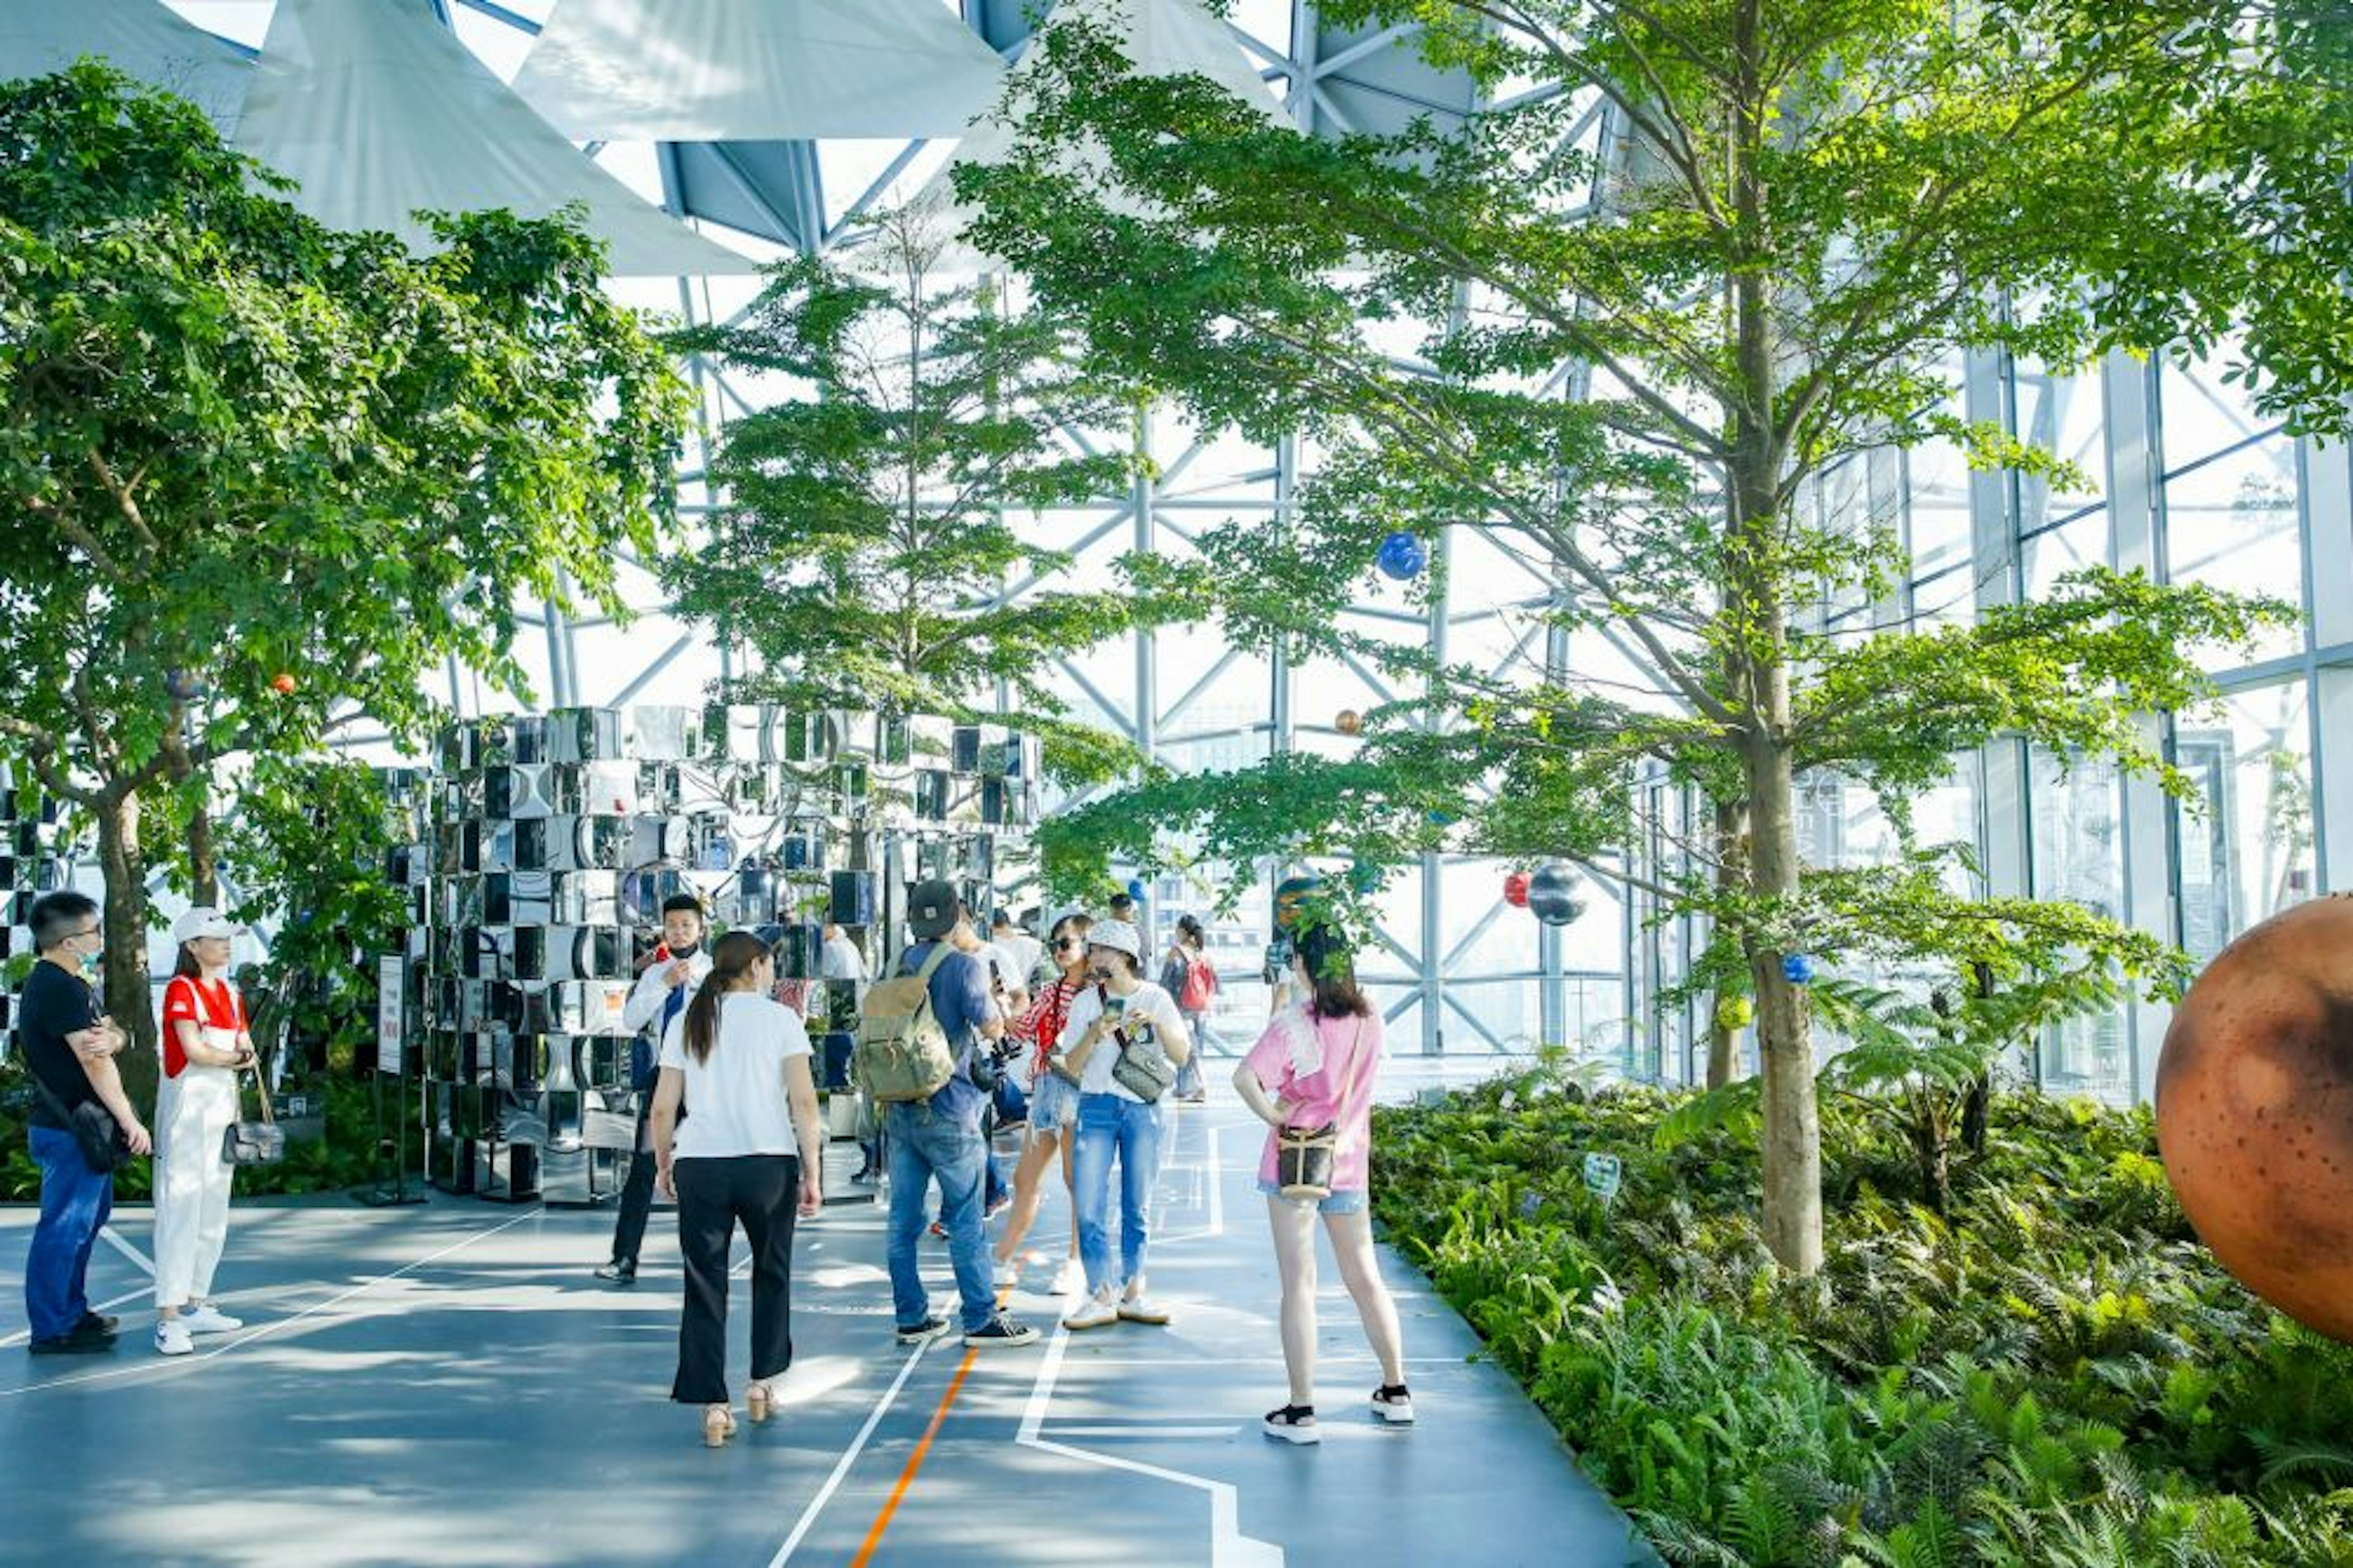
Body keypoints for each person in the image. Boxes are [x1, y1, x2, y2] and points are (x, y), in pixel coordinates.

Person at [1231, 920, 1411, 1445]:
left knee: (1300, 1285)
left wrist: (1275, 1115)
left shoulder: (1295, 1022)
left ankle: (1302, 1408)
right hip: (1349, 1159)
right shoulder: (1370, 1017)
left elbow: (1246, 1076)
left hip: (1296, 1161)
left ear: (1306, 964)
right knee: (1366, 1278)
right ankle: (1396, 1391)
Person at [648, 930, 823, 1448]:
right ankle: (762, 1383)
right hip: (769, 1162)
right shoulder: (782, 1020)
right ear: (757, 965)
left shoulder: (688, 1020)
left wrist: (664, 1162)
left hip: (702, 1162)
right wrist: (812, 1170)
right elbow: (806, 1104)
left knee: (704, 1282)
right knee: (772, 1271)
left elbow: (663, 1107)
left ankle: (714, 1407)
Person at [882, 881, 1037, 1349]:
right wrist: (995, 1001)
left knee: (902, 1221)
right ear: (956, 919)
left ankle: (912, 1317)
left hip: (901, 1107)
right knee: (967, 1218)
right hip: (951, 1108)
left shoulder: (894, 964)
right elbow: (993, 1026)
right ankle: (980, 1316)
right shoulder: (964, 967)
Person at [19, 891, 149, 1355]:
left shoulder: (71, 983)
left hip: (75, 1127)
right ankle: (52, 1327)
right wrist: (130, 1119)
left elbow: (108, 1034)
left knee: (86, 1221)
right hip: (69, 1127)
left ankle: (71, 1311)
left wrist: (115, 1037)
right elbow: (94, 1062)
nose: (100, 938)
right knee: (65, 1226)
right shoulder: (56, 987)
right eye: (93, 931)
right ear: (68, 941)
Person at [1052, 918, 1192, 1331]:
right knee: (1090, 1203)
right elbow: (1071, 1067)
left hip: (1143, 1107)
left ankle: (1133, 1290)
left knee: (1138, 1205)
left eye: (1100, 950)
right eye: (1092, 949)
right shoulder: (1085, 1003)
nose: (1093, 957)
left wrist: (1155, 1023)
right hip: (1096, 1105)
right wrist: (1095, 1032)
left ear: (1125, 956)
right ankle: (1100, 1292)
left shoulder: (1157, 997)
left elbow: (1182, 1056)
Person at [152, 908, 258, 1356]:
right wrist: (235, 1057)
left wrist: (236, 1055)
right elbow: (196, 1050)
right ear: (192, 946)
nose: (225, 943)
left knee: (213, 1209)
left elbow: (244, 1045)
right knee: (181, 1207)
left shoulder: (231, 992)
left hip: (220, 1109)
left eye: (227, 936)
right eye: (214, 937)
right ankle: (169, 1317)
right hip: (187, 1111)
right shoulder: (181, 988)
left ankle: (196, 1302)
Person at [596, 895, 712, 1285]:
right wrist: (664, 984)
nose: (679, 932)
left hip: (708, 1079)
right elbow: (631, 1018)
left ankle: (705, 1261)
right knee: (644, 1165)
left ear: (701, 929)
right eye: (672, 925)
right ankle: (624, 1258)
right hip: (665, 1077)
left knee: (705, 1167)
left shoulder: (716, 973)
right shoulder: (655, 973)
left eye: (687, 925)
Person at [991, 912, 1091, 1295]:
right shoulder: (1050, 991)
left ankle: (1075, 1262)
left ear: (1087, 945)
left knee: (1075, 1180)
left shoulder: (1099, 995)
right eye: (1055, 945)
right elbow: (1023, 1028)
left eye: (1067, 943)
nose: (1059, 951)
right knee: (1025, 1178)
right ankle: (1004, 1255)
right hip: (1048, 1089)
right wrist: (999, 1004)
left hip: (1081, 1092)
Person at [1158, 914, 1218, 1104]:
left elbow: (1165, 982)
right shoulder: (1204, 953)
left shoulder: (1176, 953)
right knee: (1194, 1048)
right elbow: (1215, 981)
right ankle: (1183, 1088)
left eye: (1177, 929)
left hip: (1182, 1008)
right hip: (1202, 1008)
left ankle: (1202, 1087)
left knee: (1189, 1050)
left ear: (1183, 931)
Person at [990, 909, 1044, 1000]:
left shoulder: (990, 946)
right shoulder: (1036, 945)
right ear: (1008, 922)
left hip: (999, 1001)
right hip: (1026, 1001)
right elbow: (1041, 979)